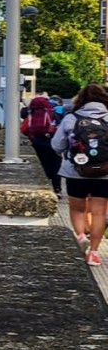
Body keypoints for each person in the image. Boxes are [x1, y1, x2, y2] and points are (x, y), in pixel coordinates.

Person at [51, 83, 108, 265]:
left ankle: (81, 236)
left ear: (80, 100)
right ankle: (93, 253)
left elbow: (57, 145)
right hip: (105, 173)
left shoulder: (71, 118)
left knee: (77, 208)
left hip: (76, 172)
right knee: (99, 213)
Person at [23, 92, 63, 196]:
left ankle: (43, 188)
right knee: (56, 166)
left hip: (38, 142)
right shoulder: (54, 112)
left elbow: (24, 128)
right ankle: (57, 189)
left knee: (42, 165)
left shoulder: (31, 112)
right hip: (53, 143)